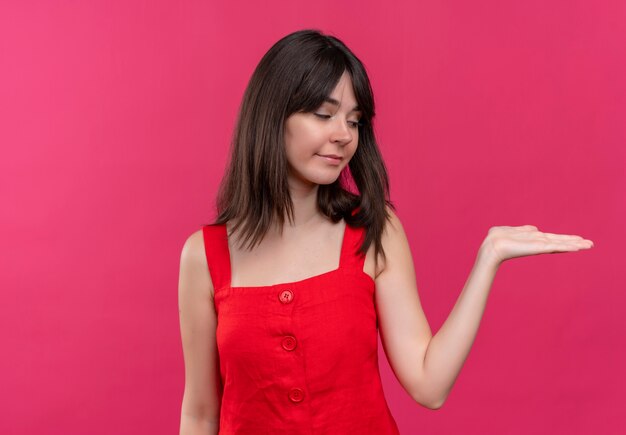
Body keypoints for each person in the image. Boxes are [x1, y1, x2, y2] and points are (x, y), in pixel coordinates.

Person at [177, 29, 594, 434]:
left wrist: (489, 257)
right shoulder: (204, 256)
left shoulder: (373, 230)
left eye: (355, 121)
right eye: (324, 115)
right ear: (272, 116)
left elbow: (429, 386)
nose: (343, 135)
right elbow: (200, 416)